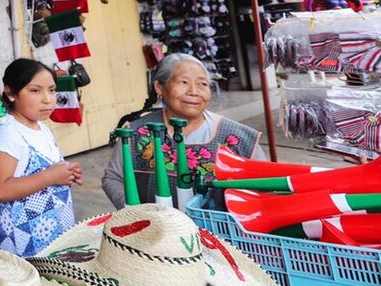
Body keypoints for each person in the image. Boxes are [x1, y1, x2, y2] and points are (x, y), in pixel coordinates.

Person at [102, 53, 264, 208]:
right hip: (156, 232)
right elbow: (113, 178)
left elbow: (263, 186)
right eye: (183, 82)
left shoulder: (239, 139)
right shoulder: (136, 133)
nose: (194, 91)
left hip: (220, 234)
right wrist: (136, 213)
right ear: (159, 87)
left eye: (203, 84)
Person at [0, 58, 82, 257]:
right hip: (26, 242)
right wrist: (50, 177)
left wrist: (66, 174)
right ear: (11, 93)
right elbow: (1, 189)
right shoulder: (9, 132)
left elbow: (44, 172)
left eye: (52, 90)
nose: (48, 99)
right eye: (35, 91)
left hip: (56, 235)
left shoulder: (42, 128)